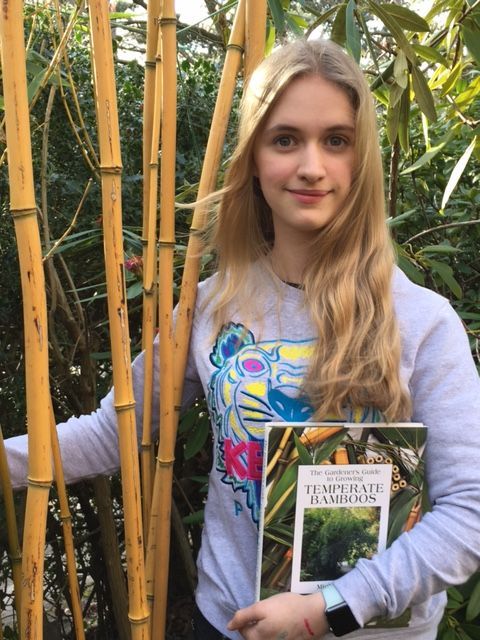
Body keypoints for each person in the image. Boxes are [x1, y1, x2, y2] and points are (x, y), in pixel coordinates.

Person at [5, 38, 480, 640]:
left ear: (360, 157)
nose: (312, 166)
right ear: (253, 156)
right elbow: (114, 431)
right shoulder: (209, 306)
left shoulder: (422, 321)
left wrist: (332, 607)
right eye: (286, 139)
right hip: (230, 623)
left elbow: (469, 514)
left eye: (336, 140)